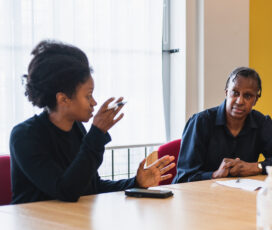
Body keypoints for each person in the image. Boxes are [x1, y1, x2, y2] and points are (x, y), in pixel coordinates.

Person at [9, 40, 175, 204]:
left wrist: (136, 183)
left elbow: (90, 188)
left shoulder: (76, 128)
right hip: (34, 226)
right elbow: (66, 191)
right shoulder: (24, 136)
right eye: (88, 96)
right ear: (63, 99)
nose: (94, 102)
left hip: (70, 222)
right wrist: (96, 133)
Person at [173, 67, 272, 183]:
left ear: (255, 100)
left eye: (247, 96)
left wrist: (255, 167)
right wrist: (214, 175)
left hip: (240, 198)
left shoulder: (261, 122)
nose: (239, 101)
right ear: (226, 93)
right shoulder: (200, 122)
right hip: (198, 199)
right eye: (235, 93)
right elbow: (183, 178)